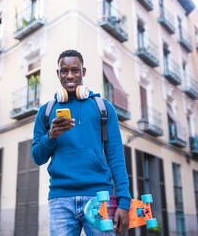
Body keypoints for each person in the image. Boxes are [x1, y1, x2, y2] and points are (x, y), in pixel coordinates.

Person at [31, 49, 131, 235]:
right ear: (58, 74)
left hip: (100, 199)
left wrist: (124, 202)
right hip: (59, 200)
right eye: (64, 71)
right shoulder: (45, 111)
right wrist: (51, 136)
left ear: (83, 72)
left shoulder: (103, 108)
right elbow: (37, 157)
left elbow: (116, 158)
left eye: (75, 70)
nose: (70, 75)